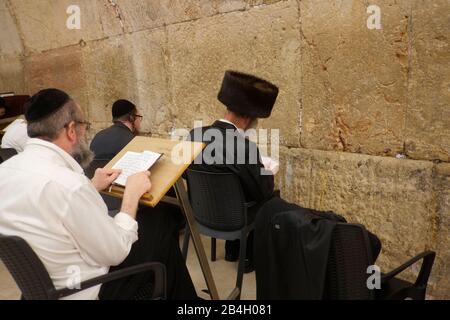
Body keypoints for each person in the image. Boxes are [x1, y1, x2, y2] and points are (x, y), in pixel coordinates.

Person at [0, 89, 197, 300]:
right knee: (160, 222)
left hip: (42, 288)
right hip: (88, 289)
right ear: (71, 130)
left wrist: (92, 186)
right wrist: (130, 197)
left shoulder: (7, 170)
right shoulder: (68, 184)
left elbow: (45, 207)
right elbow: (115, 251)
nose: (85, 132)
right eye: (84, 125)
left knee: (154, 225)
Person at [187, 70, 279, 273]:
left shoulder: (194, 136)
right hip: (236, 219)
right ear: (247, 118)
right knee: (270, 199)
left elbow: (187, 174)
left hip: (202, 214)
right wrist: (267, 172)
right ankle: (247, 259)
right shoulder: (244, 148)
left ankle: (231, 251)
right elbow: (262, 191)